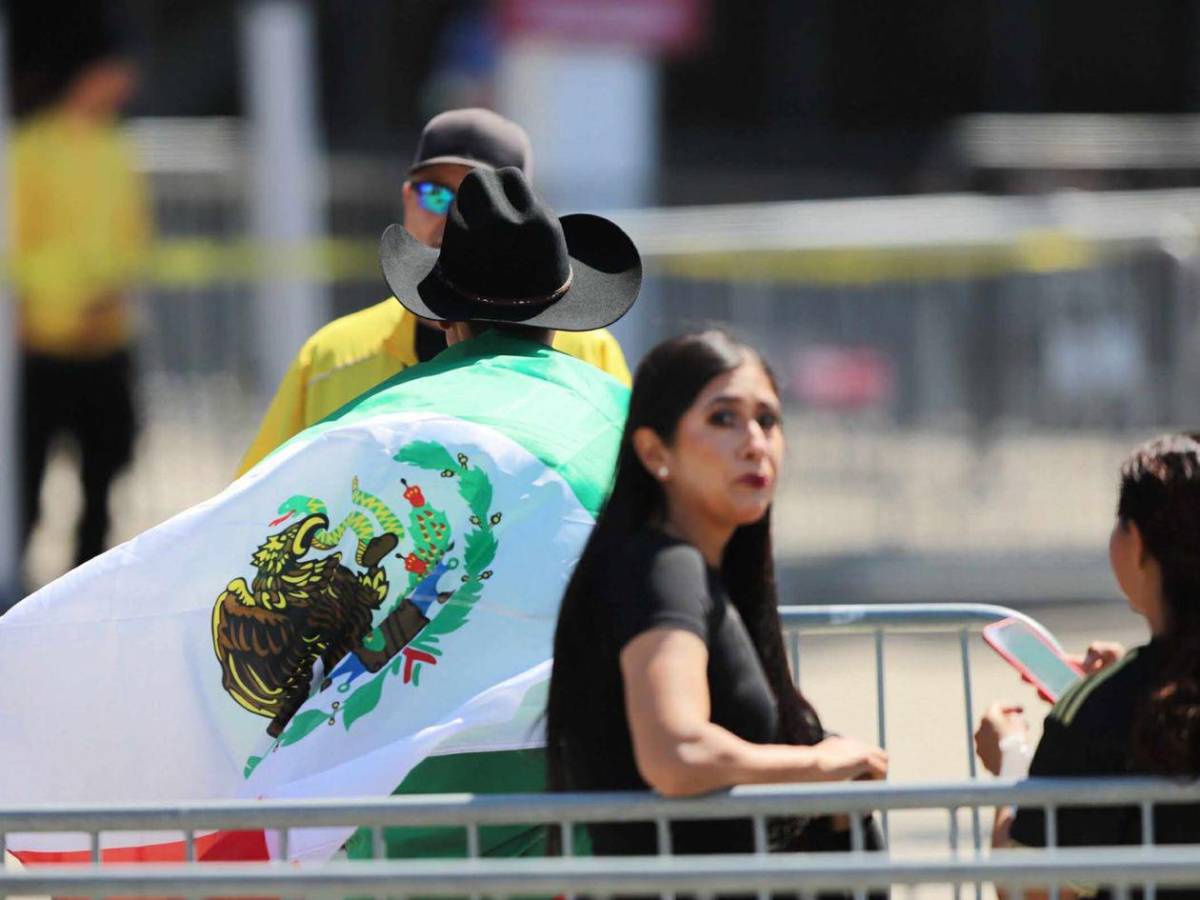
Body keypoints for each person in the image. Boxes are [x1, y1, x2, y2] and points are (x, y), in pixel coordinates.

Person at [546, 329, 888, 859]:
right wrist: (823, 765)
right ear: (654, 450)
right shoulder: (664, 568)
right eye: (723, 418)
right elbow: (676, 753)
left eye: (768, 420)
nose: (754, 442)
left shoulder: (686, 569)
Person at [236, 107, 630, 476]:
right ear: (408, 197)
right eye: (435, 194)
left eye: (478, 200)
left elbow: (629, 488)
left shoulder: (589, 352)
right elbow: (255, 499)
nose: (451, 215)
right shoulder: (331, 357)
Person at [976, 433, 1200, 899]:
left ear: (1137, 544)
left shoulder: (1102, 710)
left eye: (1122, 520)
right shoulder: (1116, 700)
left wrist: (1012, 760)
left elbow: (1027, 886)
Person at [9, 26, 151, 575]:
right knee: (24, 480)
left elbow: (133, 237)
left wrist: (113, 295)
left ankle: (85, 579)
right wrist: (44, 311)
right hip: (41, 342)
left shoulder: (117, 147)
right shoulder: (29, 149)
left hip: (106, 337)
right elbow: (18, 243)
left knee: (105, 471)